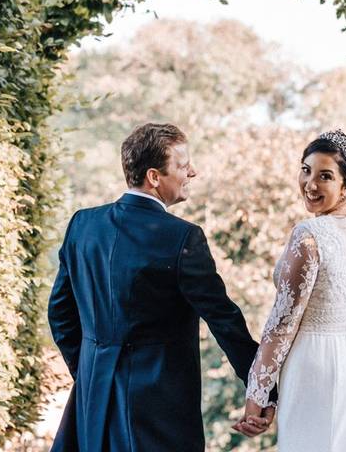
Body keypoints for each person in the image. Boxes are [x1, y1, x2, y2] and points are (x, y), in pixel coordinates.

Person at [48, 122, 273, 451]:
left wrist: (91, 372)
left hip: (92, 403)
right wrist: (261, 387)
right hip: (157, 410)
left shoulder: (83, 225)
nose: (192, 172)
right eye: (182, 166)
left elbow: (60, 316)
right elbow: (224, 319)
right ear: (154, 177)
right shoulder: (182, 237)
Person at [233, 129, 346, 451]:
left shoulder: (309, 235)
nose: (310, 184)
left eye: (325, 176)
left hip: (317, 369)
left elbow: (281, 327)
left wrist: (257, 395)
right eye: (306, 170)